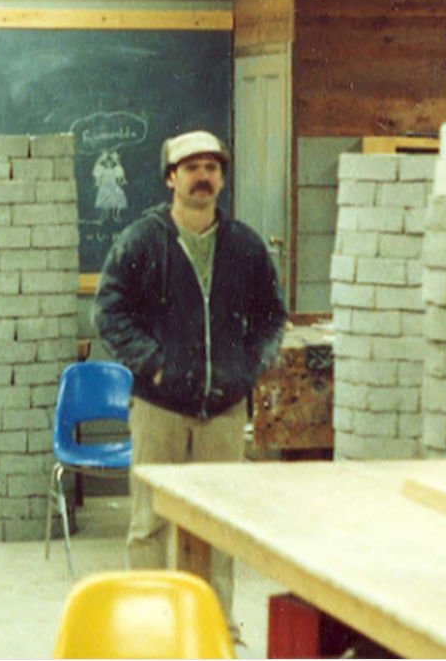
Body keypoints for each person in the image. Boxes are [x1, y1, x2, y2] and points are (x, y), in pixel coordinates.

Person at [91, 129, 287, 623]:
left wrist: (248, 369)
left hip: (223, 410)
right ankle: (148, 629)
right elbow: (110, 314)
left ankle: (214, 628)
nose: (203, 177)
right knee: (149, 522)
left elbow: (271, 317)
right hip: (159, 408)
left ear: (222, 179)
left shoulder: (244, 245)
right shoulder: (139, 241)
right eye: (193, 167)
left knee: (219, 528)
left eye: (212, 168)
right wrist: (154, 365)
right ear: (171, 177)